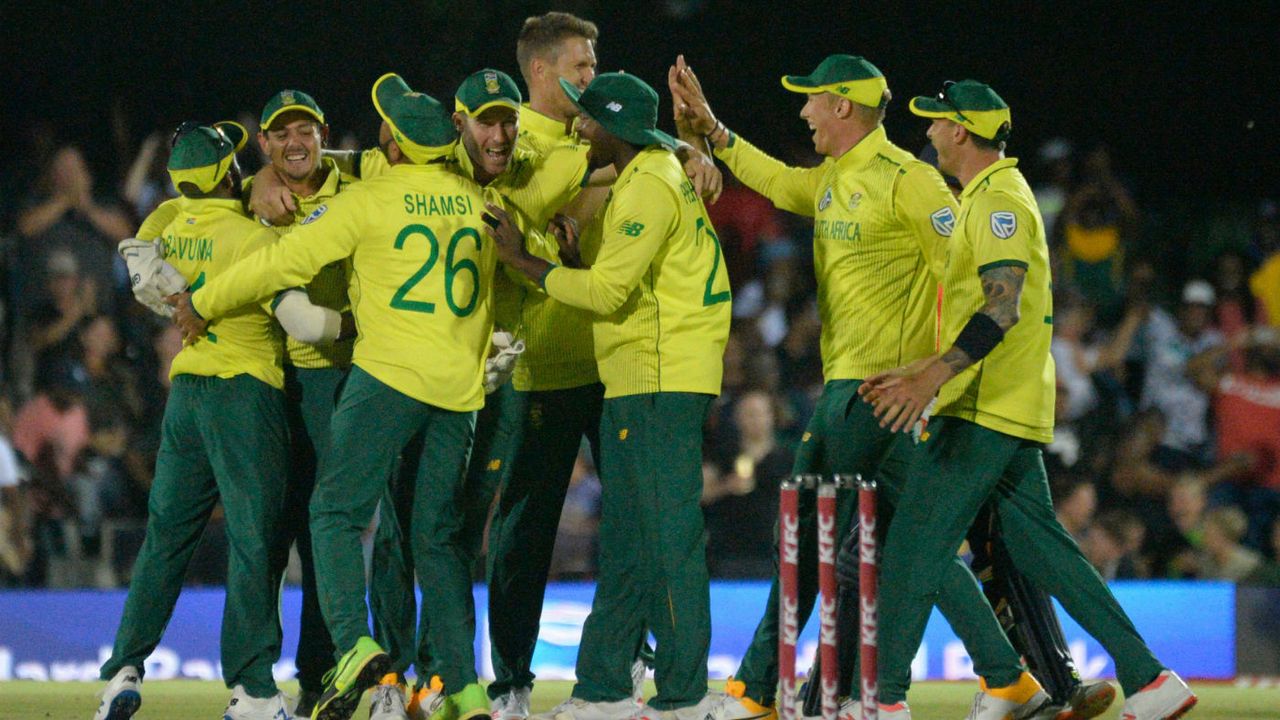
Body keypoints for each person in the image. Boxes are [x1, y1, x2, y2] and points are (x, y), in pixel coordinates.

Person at [669, 55, 1057, 720]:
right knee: (921, 545)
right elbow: (781, 183)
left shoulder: (911, 181)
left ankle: (758, 690)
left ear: (842, 106)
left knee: (805, 528)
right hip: (861, 392)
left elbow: (968, 273)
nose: (803, 113)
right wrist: (715, 132)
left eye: (811, 102)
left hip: (880, 392)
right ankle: (1007, 679)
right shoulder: (833, 179)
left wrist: (939, 372)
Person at [859, 79, 1196, 720]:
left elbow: (1002, 308)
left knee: (910, 548)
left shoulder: (997, 203)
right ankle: (1151, 681)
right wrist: (924, 367)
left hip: (984, 406)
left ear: (961, 130)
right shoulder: (988, 199)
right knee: (1045, 549)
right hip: (999, 402)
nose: (927, 132)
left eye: (935, 122)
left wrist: (937, 378)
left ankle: (880, 702)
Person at [172, 74, 498, 720]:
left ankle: (354, 649)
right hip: (460, 388)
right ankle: (464, 689)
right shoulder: (476, 201)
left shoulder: (370, 200)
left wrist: (202, 300)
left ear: (396, 144)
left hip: (385, 377)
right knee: (436, 538)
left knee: (334, 515)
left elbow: (278, 265)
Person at [486, 71, 731, 720]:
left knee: (667, 539)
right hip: (646, 377)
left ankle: (682, 693)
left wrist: (522, 261)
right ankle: (601, 690)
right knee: (627, 540)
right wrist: (569, 263)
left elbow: (606, 296)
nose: (578, 127)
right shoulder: (646, 177)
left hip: (657, 380)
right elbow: (613, 284)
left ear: (614, 128)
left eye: (588, 119)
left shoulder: (649, 184)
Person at [93, 122, 340, 720]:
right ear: (231, 173)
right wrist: (360, 327)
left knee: (165, 540)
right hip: (244, 396)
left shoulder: (170, 228)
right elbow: (304, 325)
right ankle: (254, 689)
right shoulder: (257, 240)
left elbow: (136, 246)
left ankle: (122, 671)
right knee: (255, 543)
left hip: (186, 397)